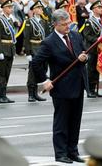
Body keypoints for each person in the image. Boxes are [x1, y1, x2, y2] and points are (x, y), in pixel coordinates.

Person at [31, 9, 88, 163]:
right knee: (62, 122)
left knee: (75, 121)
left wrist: (84, 57)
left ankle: (73, 151)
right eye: (63, 24)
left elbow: (83, 52)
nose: (67, 26)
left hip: (78, 84)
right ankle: (61, 153)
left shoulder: (75, 35)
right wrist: (44, 80)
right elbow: (36, 63)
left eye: (68, 23)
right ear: (55, 25)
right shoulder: (49, 42)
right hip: (61, 87)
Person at [24, 0, 47, 102]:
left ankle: (36, 93)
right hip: (33, 48)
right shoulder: (29, 22)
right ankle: (30, 94)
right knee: (32, 72)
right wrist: (28, 52)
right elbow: (27, 38)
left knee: (39, 71)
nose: (40, 10)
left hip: (41, 48)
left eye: (41, 8)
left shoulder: (43, 21)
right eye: (38, 8)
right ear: (33, 10)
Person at [0, 0, 16, 104]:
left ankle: (4, 95)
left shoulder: (10, 20)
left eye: (11, 7)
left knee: (7, 73)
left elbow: (12, 37)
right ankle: (1, 96)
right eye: (8, 7)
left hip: (10, 49)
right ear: (3, 8)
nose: (10, 9)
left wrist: (13, 51)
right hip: (3, 48)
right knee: (2, 74)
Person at [83, 0, 102, 98]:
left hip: (99, 49)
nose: (101, 9)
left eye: (101, 7)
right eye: (99, 7)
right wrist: (97, 39)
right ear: (94, 9)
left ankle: (95, 89)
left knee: (97, 70)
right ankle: (90, 90)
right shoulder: (89, 22)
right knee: (90, 70)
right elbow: (87, 36)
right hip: (91, 49)